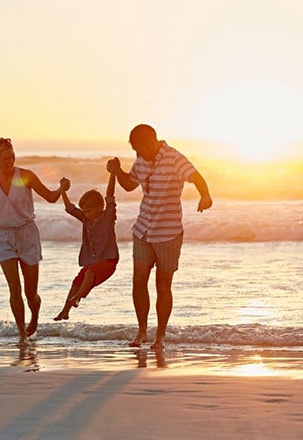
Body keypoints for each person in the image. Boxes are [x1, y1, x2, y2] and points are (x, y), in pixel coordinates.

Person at [107, 124, 213, 350]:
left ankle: (160, 337)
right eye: (134, 150)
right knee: (138, 281)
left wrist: (205, 195)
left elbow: (196, 177)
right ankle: (142, 332)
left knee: (163, 285)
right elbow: (128, 185)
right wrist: (117, 171)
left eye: (139, 149)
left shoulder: (174, 158)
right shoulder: (141, 161)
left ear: (151, 142)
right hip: (143, 229)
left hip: (168, 233)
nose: (138, 154)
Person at [0, 138, 69, 346]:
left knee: (30, 293)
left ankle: (35, 316)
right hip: (3, 237)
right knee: (14, 287)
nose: (9, 161)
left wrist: (61, 189)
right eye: (5, 158)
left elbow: (50, 197)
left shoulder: (25, 176)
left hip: (27, 235)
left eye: (12, 156)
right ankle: (22, 334)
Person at [54, 170, 119, 321]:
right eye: (84, 212)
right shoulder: (86, 219)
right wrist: (63, 191)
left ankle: (77, 298)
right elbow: (70, 208)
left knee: (89, 273)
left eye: (89, 211)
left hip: (109, 261)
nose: (86, 214)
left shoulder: (107, 217)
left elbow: (110, 196)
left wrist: (112, 174)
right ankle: (65, 311)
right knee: (77, 281)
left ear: (100, 207)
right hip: (93, 263)